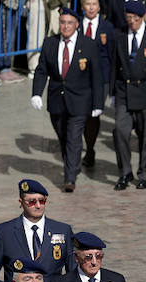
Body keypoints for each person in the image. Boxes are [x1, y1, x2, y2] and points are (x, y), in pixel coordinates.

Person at [30, 9, 104, 193]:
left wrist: (98, 104)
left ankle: (70, 177)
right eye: (62, 22)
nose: (65, 26)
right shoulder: (50, 43)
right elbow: (41, 70)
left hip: (80, 100)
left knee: (73, 137)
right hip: (57, 100)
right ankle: (73, 165)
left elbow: (96, 76)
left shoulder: (88, 44)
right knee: (64, 137)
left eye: (69, 23)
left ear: (77, 24)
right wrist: (37, 93)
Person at [110, 0, 146, 190]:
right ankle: (125, 172)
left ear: (143, 17)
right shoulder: (119, 34)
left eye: (135, 18)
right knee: (120, 130)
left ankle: (144, 173)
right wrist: (111, 92)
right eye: (129, 18)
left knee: (145, 135)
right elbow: (113, 64)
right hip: (123, 90)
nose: (132, 22)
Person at [0, 179, 76, 282]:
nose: (38, 206)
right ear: (21, 203)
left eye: (42, 201)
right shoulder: (4, 232)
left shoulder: (63, 230)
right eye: (32, 202)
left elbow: (73, 272)